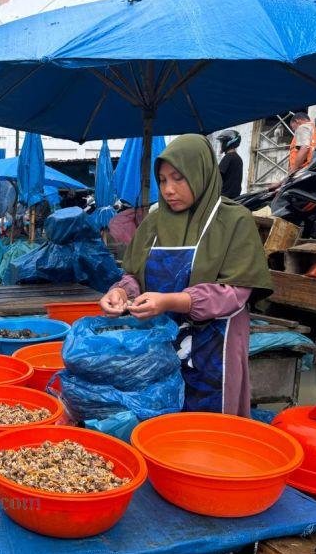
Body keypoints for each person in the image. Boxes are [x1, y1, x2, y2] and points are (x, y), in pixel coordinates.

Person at [99, 135, 273, 417]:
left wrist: (170, 301)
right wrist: (121, 292)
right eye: (163, 180)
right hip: (161, 347)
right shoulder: (154, 222)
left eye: (179, 178)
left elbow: (235, 293)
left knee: (209, 430)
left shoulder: (233, 220)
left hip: (215, 347)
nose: (169, 190)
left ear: (200, 172)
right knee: (161, 421)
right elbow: (136, 275)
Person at [217, 130, 243, 198]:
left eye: (222, 142)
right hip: (234, 198)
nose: (221, 144)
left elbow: (217, 177)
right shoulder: (238, 158)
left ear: (227, 142)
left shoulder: (228, 157)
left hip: (224, 198)